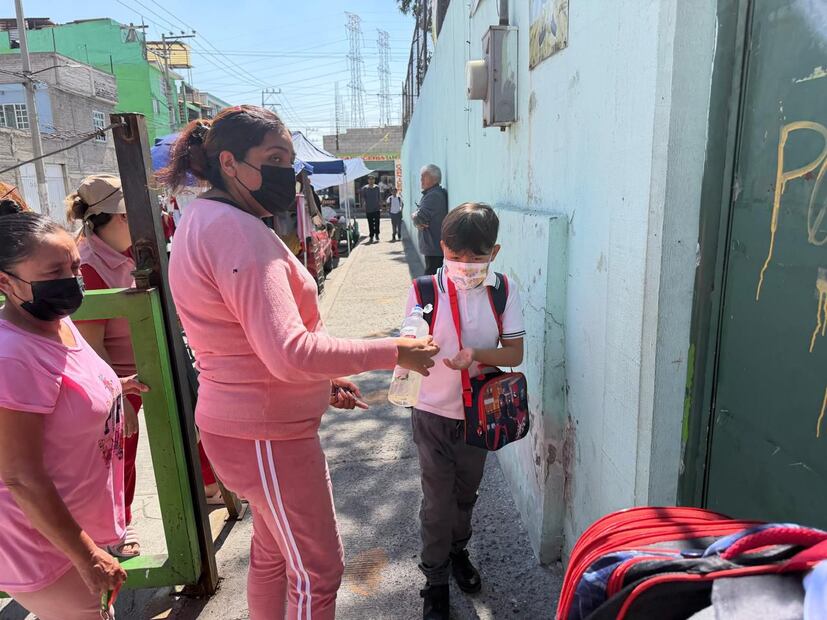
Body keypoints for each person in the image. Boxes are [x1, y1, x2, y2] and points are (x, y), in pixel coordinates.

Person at [158, 106, 439, 620]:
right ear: (229, 162)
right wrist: (395, 351)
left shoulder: (207, 218)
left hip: (249, 428)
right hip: (265, 435)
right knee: (317, 572)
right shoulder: (236, 231)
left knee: (272, 555)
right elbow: (289, 352)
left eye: (289, 159)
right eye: (274, 158)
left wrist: (324, 377)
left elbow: (253, 340)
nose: (287, 171)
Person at [0, 212, 149, 619]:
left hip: (77, 528)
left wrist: (113, 386)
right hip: (46, 547)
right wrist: (88, 556)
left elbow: (61, 385)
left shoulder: (56, 321)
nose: (72, 279)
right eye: (54, 272)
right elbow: (20, 476)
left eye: (75, 267)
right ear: (5, 282)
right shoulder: (12, 357)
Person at [65, 175, 221, 560]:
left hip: (156, 354)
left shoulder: (134, 251)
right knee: (121, 448)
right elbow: (92, 344)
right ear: (121, 217)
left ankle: (209, 485)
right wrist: (116, 394)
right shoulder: (88, 265)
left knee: (195, 417)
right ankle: (118, 525)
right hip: (116, 372)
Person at [404, 203, 525, 620]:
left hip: (479, 416)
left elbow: (515, 352)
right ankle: (435, 579)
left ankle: (458, 552)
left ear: (494, 252)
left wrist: (475, 354)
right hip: (432, 414)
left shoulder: (502, 290)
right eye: (456, 256)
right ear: (442, 248)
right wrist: (417, 348)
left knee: (465, 496)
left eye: (477, 258)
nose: (466, 266)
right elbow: (409, 342)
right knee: (437, 503)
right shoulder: (424, 290)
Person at [412, 164, 448, 275]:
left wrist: (414, 215)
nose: (421, 180)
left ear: (434, 179)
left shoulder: (434, 195)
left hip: (434, 250)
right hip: (434, 249)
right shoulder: (432, 193)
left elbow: (419, 218)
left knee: (431, 281)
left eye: (424, 177)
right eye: (421, 177)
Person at [360, 175, 382, 242]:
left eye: (372, 179)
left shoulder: (377, 187)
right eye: (370, 179)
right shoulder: (365, 188)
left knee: (377, 222)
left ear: (374, 180)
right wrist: (363, 204)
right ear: (368, 180)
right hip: (369, 208)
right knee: (370, 223)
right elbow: (363, 197)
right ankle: (371, 236)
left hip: (376, 208)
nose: (371, 181)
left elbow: (379, 197)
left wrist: (381, 206)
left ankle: (377, 234)